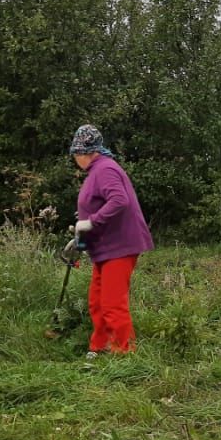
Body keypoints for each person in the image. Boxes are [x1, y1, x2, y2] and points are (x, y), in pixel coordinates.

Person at [67, 124, 153, 358]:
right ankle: (101, 345)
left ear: (85, 153)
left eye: (76, 155)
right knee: (97, 300)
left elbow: (119, 200)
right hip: (104, 248)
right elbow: (99, 202)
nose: (76, 160)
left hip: (119, 246)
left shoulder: (105, 169)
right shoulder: (97, 170)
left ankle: (124, 352)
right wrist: (82, 233)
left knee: (113, 302)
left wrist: (91, 221)